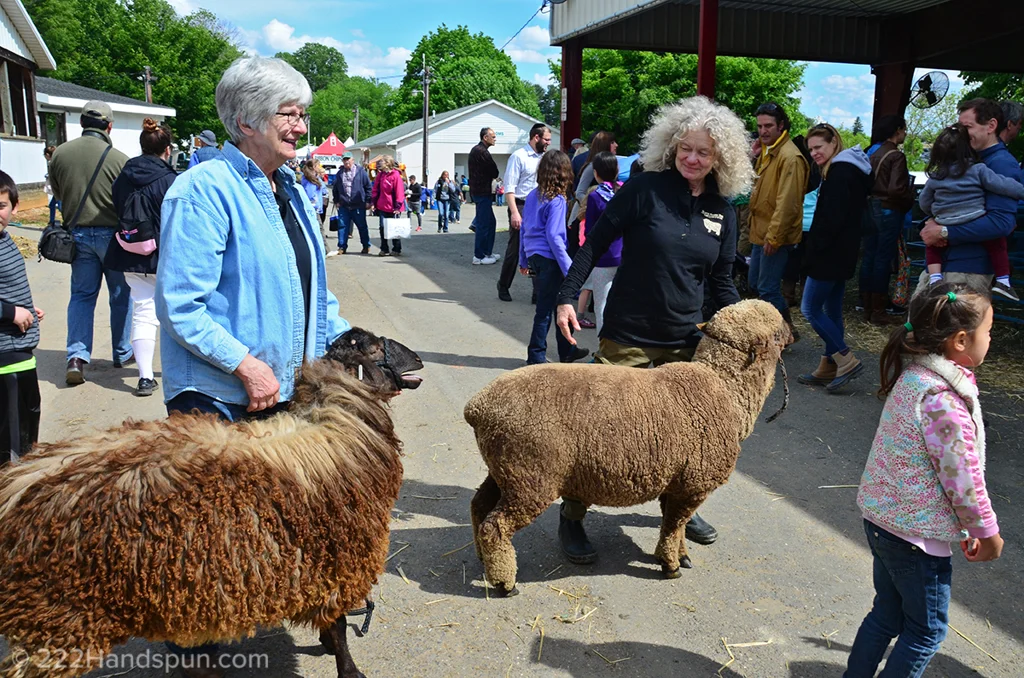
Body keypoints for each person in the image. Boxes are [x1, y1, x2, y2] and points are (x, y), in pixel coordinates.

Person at [156, 57, 351, 678]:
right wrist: (246, 365)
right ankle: (193, 653)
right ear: (245, 121)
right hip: (218, 397)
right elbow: (181, 304)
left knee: (261, 529)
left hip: (280, 396)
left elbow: (316, 294)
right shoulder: (205, 189)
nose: (302, 125)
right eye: (289, 114)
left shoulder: (290, 189)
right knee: (205, 541)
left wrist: (347, 351)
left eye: (303, 112)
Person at [554, 96, 754, 564]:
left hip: (686, 342)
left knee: (683, 438)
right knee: (601, 430)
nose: (692, 158)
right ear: (671, 146)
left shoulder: (724, 212)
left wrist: (747, 328)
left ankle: (677, 517)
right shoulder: (645, 190)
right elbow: (592, 244)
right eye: (685, 148)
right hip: (627, 334)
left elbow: (722, 283)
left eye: (703, 152)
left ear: (720, 158)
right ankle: (573, 513)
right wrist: (566, 297)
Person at [846, 283, 1002, 678]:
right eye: (989, 330)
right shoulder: (943, 400)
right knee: (926, 631)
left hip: (883, 522)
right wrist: (985, 531)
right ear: (961, 340)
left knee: (886, 614)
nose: (991, 338)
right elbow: (962, 480)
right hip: (916, 539)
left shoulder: (915, 378)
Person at [48, 100, 132, 386]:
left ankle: (76, 357)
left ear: (82, 123)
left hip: (78, 236)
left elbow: (58, 194)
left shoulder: (59, 155)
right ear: (109, 126)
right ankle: (122, 351)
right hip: (113, 238)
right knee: (120, 296)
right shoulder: (119, 159)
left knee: (82, 297)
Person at [796, 124, 872, 392]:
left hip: (828, 254)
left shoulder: (838, 173)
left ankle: (845, 358)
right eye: (811, 149)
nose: (815, 153)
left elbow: (830, 220)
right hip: (843, 253)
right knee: (831, 310)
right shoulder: (850, 170)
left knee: (810, 308)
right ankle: (828, 365)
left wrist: (811, 252)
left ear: (833, 143)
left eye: (819, 147)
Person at [920, 98, 1024, 294]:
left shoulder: (1000, 164)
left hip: (967, 270)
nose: (961, 134)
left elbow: (1001, 223)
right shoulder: (967, 161)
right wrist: (930, 222)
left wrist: (944, 231)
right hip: (949, 266)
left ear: (991, 126)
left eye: (967, 126)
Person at [105, 118, 178, 397]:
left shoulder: (122, 177)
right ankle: (176, 370)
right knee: (175, 313)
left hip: (131, 253)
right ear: (167, 150)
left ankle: (145, 377)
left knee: (143, 312)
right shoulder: (171, 180)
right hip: (165, 255)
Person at [519, 151, 589, 365]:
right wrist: (570, 270)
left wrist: (523, 259)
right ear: (564, 173)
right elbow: (554, 237)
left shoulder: (533, 195)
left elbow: (523, 228)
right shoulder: (557, 200)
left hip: (534, 256)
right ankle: (537, 355)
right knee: (548, 311)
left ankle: (567, 349)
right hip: (551, 259)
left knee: (554, 306)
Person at [748, 102, 809, 343]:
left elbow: (788, 203)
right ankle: (777, 330)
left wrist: (774, 236)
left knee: (767, 288)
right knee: (756, 284)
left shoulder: (790, 156)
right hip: (759, 230)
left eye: (768, 126)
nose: (763, 131)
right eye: (760, 126)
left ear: (781, 125)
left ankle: (786, 332)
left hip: (774, 234)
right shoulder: (767, 150)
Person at [0, 171, 44, 466]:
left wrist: (27, 307)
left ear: (15, 207)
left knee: (28, 427)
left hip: (20, 349)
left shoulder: (5, 238)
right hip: (6, 357)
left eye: (0, 206)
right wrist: (10, 312)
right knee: (12, 446)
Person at [859, 115, 915, 325]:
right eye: (904, 129)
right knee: (883, 258)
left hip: (871, 207)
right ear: (897, 130)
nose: (905, 133)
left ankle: (866, 305)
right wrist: (908, 196)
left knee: (870, 256)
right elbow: (895, 189)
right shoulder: (895, 156)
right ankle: (878, 309)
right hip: (889, 210)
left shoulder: (873, 154)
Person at [499, 123, 551, 302]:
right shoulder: (518, 157)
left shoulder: (544, 158)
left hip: (539, 205)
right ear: (536, 137)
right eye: (546, 139)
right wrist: (514, 212)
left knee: (538, 248)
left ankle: (537, 293)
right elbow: (509, 188)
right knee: (516, 248)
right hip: (520, 205)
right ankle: (503, 285)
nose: (548, 143)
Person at [581, 151, 623, 337]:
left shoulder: (595, 196)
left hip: (603, 258)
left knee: (602, 306)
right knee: (622, 305)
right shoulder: (624, 191)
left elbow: (591, 231)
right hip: (625, 255)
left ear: (596, 173)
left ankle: (603, 350)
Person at [329, 151, 372, 256]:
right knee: (342, 226)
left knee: (362, 226)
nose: (346, 161)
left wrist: (368, 201)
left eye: (348, 159)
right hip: (344, 205)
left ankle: (366, 246)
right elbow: (335, 189)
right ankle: (342, 247)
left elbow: (368, 187)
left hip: (358, 205)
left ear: (352, 160)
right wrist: (336, 201)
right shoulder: (339, 174)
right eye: (344, 159)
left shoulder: (361, 172)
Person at [469, 127, 500, 265]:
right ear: (485, 137)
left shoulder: (477, 150)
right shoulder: (482, 152)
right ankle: (479, 256)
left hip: (480, 191)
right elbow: (494, 171)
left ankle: (487, 252)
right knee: (483, 224)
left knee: (490, 222)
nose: (495, 139)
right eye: (492, 136)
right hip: (481, 192)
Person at [372, 155, 405, 257]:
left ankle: (396, 248)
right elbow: (375, 189)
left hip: (393, 207)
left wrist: (397, 206)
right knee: (382, 228)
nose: (380, 164)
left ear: (387, 163)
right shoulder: (381, 175)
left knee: (395, 229)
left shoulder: (395, 175)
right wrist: (373, 202)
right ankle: (384, 248)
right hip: (382, 205)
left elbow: (399, 191)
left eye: (381, 162)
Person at [300, 158, 326, 226]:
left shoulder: (315, 177)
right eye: (319, 165)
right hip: (313, 209)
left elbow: (324, 190)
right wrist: (315, 206)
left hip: (316, 208)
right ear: (314, 167)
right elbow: (310, 195)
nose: (320, 167)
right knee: (319, 230)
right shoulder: (309, 179)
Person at [43, 145, 60, 225]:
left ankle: (69, 222)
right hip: (58, 188)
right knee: (52, 205)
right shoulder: (57, 161)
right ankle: (51, 221)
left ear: (47, 155)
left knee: (60, 206)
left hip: (58, 188)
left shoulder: (53, 163)